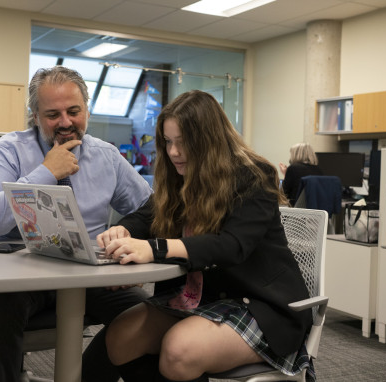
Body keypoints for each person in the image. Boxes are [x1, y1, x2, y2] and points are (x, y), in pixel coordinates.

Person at [96, 90, 315, 382]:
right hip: (204, 298)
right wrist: (123, 229)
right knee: (120, 337)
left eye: (183, 143)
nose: (173, 152)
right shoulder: (180, 176)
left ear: (208, 140)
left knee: (179, 350)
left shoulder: (254, 176)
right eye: (168, 142)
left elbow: (231, 246)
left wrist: (155, 248)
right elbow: (147, 215)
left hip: (260, 306)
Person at [0, 66, 153, 382]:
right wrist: (44, 173)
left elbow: (153, 211)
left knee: (146, 317)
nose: (65, 122)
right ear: (35, 116)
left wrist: (130, 239)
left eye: (74, 111)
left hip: (88, 276)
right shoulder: (10, 149)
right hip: (21, 276)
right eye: (53, 114)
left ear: (87, 111)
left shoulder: (106, 157)